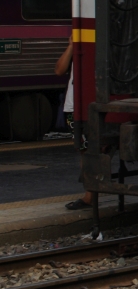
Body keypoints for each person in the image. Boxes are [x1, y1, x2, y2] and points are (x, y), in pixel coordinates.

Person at [55, 35, 93, 210]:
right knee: (83, 150)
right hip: (72, 108)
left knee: (92, 150)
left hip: (87, 106)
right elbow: (59, 70)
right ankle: (90, 193)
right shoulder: (75, 51)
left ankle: (91, 195)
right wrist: (70, 47)